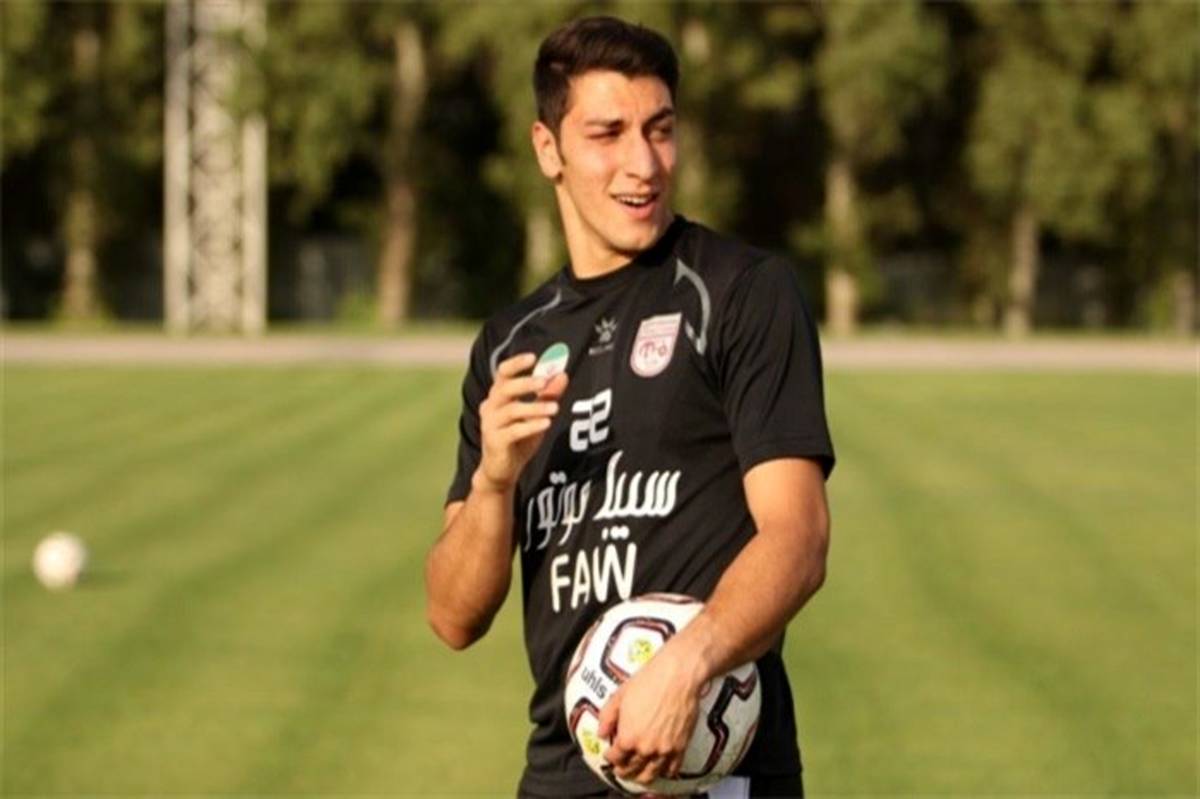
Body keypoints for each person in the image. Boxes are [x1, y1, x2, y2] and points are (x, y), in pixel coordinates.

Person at [425, 16, 834, 799]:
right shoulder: (512, 343)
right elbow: (452, 616)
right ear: (548, 148)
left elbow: (799, 536)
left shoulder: (741, 293)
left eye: (660, 130)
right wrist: (494, 483)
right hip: (562, 776)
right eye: (607, 133)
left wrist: (687, 663)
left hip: (717, 774)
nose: (642, 164)